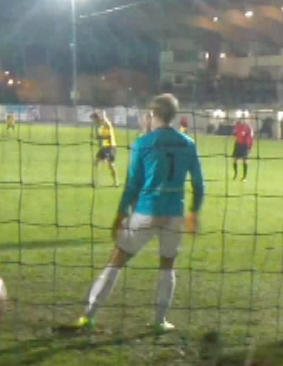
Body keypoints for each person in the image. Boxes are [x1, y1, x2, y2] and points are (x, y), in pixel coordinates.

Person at [73, 94, 204, 334]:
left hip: (146, 211)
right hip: (174, 214)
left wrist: (121, 213)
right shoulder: (188, 143)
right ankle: (160, 321)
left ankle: (89, 315)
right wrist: (194, 213)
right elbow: (199, 184)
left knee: (116, 260)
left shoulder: (144, 143)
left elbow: (133, 184)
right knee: (167, 266)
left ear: (153, 115)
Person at [92, 110, 119, 188]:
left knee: (110, 165)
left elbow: (107, 137)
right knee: (97, 162)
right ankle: (96, 181)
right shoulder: (100, 126)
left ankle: (116, 182)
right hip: (105, 147)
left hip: (110, 146)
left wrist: (99, 137)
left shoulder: (106, 124)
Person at [230, 115, 255, 181]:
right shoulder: (237, 126)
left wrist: (250, 146)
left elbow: (251, 137)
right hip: (238, 144)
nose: (243, 120)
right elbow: (235, 134)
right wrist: (234, 134)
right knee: (235, 160)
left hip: (245, 145)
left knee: (245, 161)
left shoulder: (248, 127)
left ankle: (244, 177)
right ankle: (235, 174)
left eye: (244, 119)